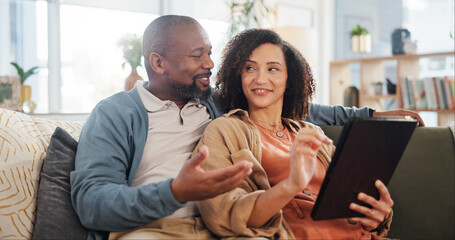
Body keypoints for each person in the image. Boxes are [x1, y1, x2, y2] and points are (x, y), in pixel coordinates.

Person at [71, 15, 419, 239]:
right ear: (158, 63)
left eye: (210, 52)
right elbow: (91, 202)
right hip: (156, 228)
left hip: (225, 229)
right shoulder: (115, 113)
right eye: (197, 55)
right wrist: (175, 192)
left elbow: (297, 107)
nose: (210, 63)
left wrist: (373, 115)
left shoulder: (213, 100)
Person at [194, 28, 394, 239]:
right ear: (239, 76)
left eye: (273, 69)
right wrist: (292, 184)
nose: (260, 79)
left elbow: (358, 199)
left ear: (290, 79)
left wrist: (378, 213)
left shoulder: (311, 132)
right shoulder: (225, 130)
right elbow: (226, 215)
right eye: (250, 68)